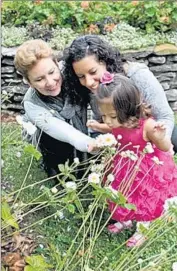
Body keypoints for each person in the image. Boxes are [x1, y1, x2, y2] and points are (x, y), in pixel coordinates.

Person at [95, 72, 177, 247]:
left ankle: (143, 228)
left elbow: (165, 148)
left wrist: (161, 136)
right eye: (104, 116)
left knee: (144, 200)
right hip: (123, 166)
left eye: (113, 117)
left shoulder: (147, 125)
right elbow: (113, 130)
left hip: (146, 170)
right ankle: (125, 219)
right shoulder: (115, 122)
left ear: (129, 109)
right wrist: (99, 127)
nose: (108, 121)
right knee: (122, 194)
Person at [62, 34, 177, 152]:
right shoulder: (92, 88)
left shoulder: (137, 75)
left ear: (105, 61)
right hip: (121, 136)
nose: (89, 82)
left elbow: (164, 116)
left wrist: (162, 143)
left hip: (151, 132)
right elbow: (102, 123)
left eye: (93, 72)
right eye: (81, 76)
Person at [14, 39, 95, 178]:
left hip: (80, 128)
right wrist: (93, 144)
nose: (50, 83)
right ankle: (58, 172)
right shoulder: (31, 103)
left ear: (58, 63)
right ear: (29, 82)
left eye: (52, 72)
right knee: (53, 140)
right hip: (53, 139)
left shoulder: (73, 71)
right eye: (39, 79)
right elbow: (67, 133)